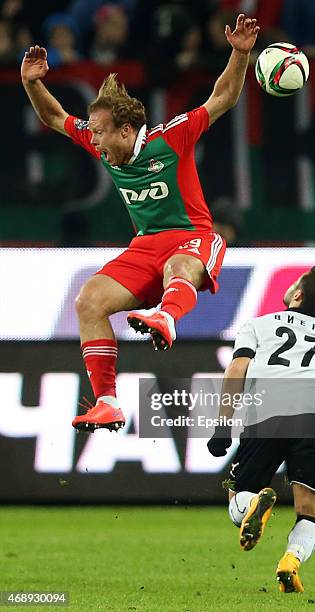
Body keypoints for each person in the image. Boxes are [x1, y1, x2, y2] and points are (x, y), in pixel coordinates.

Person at [20, 14, 260, 433]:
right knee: (89, 300)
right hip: (145, 246)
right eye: (91, 132)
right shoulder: (102, 146)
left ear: (126, 129)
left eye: (99, 133)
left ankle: (167, 317)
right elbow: (56, 118)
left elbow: (221, 98)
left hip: (194, 239)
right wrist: (32, 83)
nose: (92, 140)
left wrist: (239, 54)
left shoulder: (172, 138)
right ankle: (108, 402)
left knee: (177, 269)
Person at [207, 265, 315, 593]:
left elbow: (237, 369)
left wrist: (222, 425)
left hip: (267, 411)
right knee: (310, 513)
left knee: (239, 499)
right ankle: (291, 560)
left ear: (298, 295)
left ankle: (252, 506)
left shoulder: (259, 326)